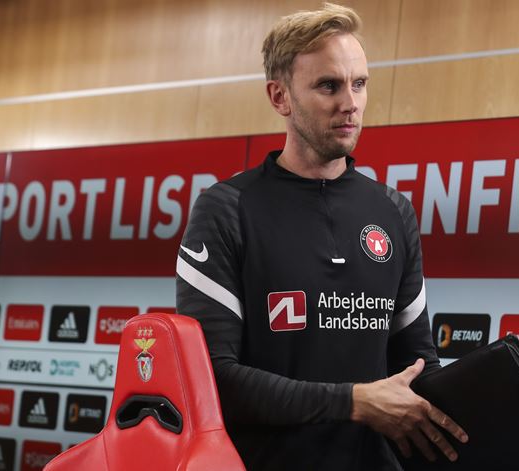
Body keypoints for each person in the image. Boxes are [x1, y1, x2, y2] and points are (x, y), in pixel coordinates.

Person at [175, 3, 467, 470]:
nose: (349, 102)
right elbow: (211, 382)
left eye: (359, 83)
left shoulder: (392, 211)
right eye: (328, 85)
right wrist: (351, 401)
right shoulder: (227, 209)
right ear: (280, 97)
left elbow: (417, 366)